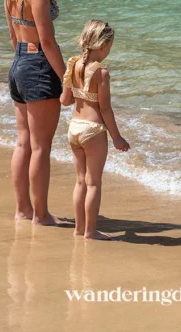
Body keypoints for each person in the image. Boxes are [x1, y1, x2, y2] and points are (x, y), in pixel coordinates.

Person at [0, 0, 68, 226]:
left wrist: (22, 64)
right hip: (38, 65)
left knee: (23, 143)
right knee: (40, 147)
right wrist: (68, 79)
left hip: (19, 65)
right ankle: (41, 215)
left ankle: (23, 209)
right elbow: (48, 41)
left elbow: (14, 36)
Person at [61, 20, 130, 239]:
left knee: (80, 181)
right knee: (93, 183)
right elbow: (106, 109)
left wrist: (79, 92)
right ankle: (90, 231)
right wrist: (117, 137)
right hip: (93, 130)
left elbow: (65, 100)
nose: (109, 51)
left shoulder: (73, 64)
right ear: (102, 46)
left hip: (74, 128)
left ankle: (79, 228)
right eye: (110, 46)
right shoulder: (101, 72)